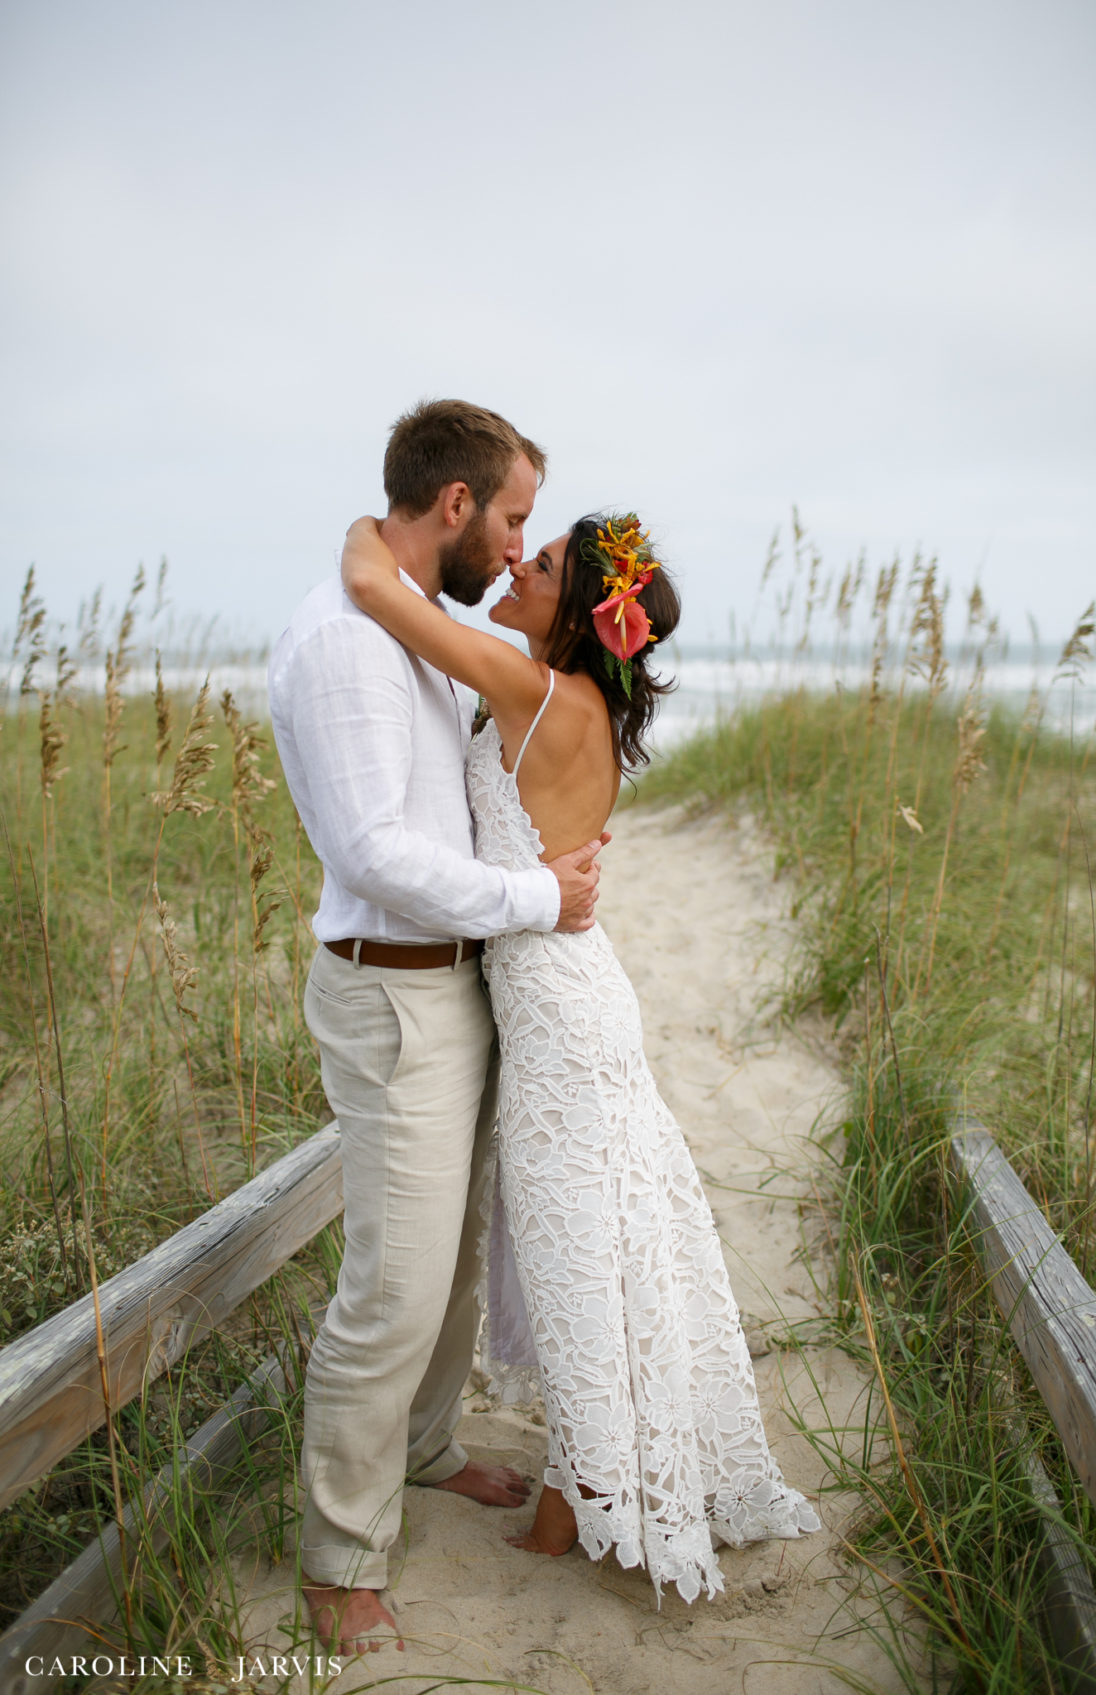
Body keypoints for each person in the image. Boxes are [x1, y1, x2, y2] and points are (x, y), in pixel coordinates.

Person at [340, 508, 820, 1606]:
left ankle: (576, 1507)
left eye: (541, 560)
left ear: (577, 614)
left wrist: (378, 527)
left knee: (572, 1261)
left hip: (560, 1017)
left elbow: (381, 595)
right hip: (572, 995)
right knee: (590, 1253)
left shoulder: (535, 689)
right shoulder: (579, 703)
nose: (517, 560)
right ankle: (571, 1498)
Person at [268, 400, 611, 1658]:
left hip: (458, 984)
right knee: (392, 1284)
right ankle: (339, 1557)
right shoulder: (349, 646)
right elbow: (372, 851)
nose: (517, 543)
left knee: (452, 1253)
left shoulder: (419, 631)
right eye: (512, 514)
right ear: (455, 505)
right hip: (391, 986)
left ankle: (422, 1449)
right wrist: (539, 897)